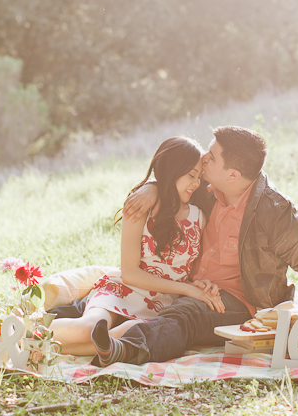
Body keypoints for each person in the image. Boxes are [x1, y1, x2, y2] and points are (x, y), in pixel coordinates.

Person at [90, 125, 298, 366]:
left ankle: (125, 350)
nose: (203, 159)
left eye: (211, 157)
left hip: (237, 300)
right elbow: (175, 179)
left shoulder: (276, 211)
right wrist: (154, 188)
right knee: (168, 306)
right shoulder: (207, 190)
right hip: (192, 285)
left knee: (186, 314)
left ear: (232, 175)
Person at [49, 136, 223, 356]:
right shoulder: (140, 206)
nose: (196, 183)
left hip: (161, 305)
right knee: (88, 328)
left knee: (123, 335)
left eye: (199, 176)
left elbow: (193, 269)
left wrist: (199, 282)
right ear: (172, 170)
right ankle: (25, 329)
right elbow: (130, 273)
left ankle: (51, 350)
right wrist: (187, 289)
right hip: (124, 290)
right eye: (191, 175)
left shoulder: (199, 218)